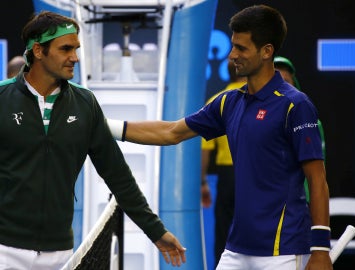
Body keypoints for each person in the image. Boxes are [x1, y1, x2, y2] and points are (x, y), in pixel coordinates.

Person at [116, 4, 333, 270]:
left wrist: (321, 249)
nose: (232, 55)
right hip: (236, 249)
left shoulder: (295, 106)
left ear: (266, 52)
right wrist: (106, 127)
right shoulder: (227, 103)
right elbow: (171, 132)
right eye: (233, 46)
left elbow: (317, 179)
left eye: (241, 48)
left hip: (283, 249)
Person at [0, 11, 186, 269]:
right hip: (4, 249)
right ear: (39, 51)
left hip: (59, 254)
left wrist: (155, 231)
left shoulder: (85, 104)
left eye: (76, 49)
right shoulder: (2, 98)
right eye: (66, 49)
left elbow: (118, 176)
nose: (74, 57)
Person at [201, 60, 246, 266]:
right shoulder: (260, 99)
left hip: (227, 178)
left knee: (223, 233)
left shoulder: (216, 101)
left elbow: (206, 150)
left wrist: (203, 183)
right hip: (255, 175)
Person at [274, 56, 326, 203]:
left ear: (294, 85)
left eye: (286, 82)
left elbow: (316, 173)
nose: (281, 87)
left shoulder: (309, 121)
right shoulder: (258, 119)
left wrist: (309, 203)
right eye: (277, 81)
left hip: (298, 206)